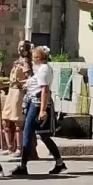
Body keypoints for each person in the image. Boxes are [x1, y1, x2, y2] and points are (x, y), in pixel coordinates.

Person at [11, 46, 67, 178]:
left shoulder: (43, 70)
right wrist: (23, 82)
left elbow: (44, 90)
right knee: (44, 135)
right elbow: (36, 82)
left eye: (33, 57)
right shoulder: (42, 69)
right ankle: (59, 163)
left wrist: (42, 110)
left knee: (27, 132)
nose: (31, 59)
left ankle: (23, 166)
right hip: (35, 101)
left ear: (37, 58)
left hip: (37, 104)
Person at [2, 40, 31, 156]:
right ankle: (10, 147)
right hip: (11, 92)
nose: (20, 49)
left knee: (18, 121)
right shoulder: (16, 62)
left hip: (19, 93)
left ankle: (19, 148)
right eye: (19, 46)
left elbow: (30, 79)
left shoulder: (26, 63)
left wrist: (21, 83)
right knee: (6, 120)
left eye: (23, 47)